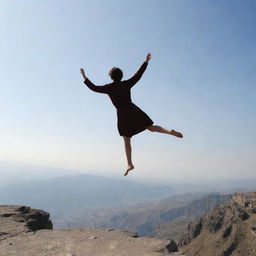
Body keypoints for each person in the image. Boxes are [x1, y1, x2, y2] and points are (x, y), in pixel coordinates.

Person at [80, 53, 183, 176]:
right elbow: (138, 75)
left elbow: (94, 88)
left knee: (127, 140)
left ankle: (129, 163)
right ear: (121, 76)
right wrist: (146, 62)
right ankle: (169, 131)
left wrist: (84, 77)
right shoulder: (126, 84)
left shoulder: (109, 88)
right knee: (151, 127)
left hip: (123, 115)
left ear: (111, 77)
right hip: (133, 110)